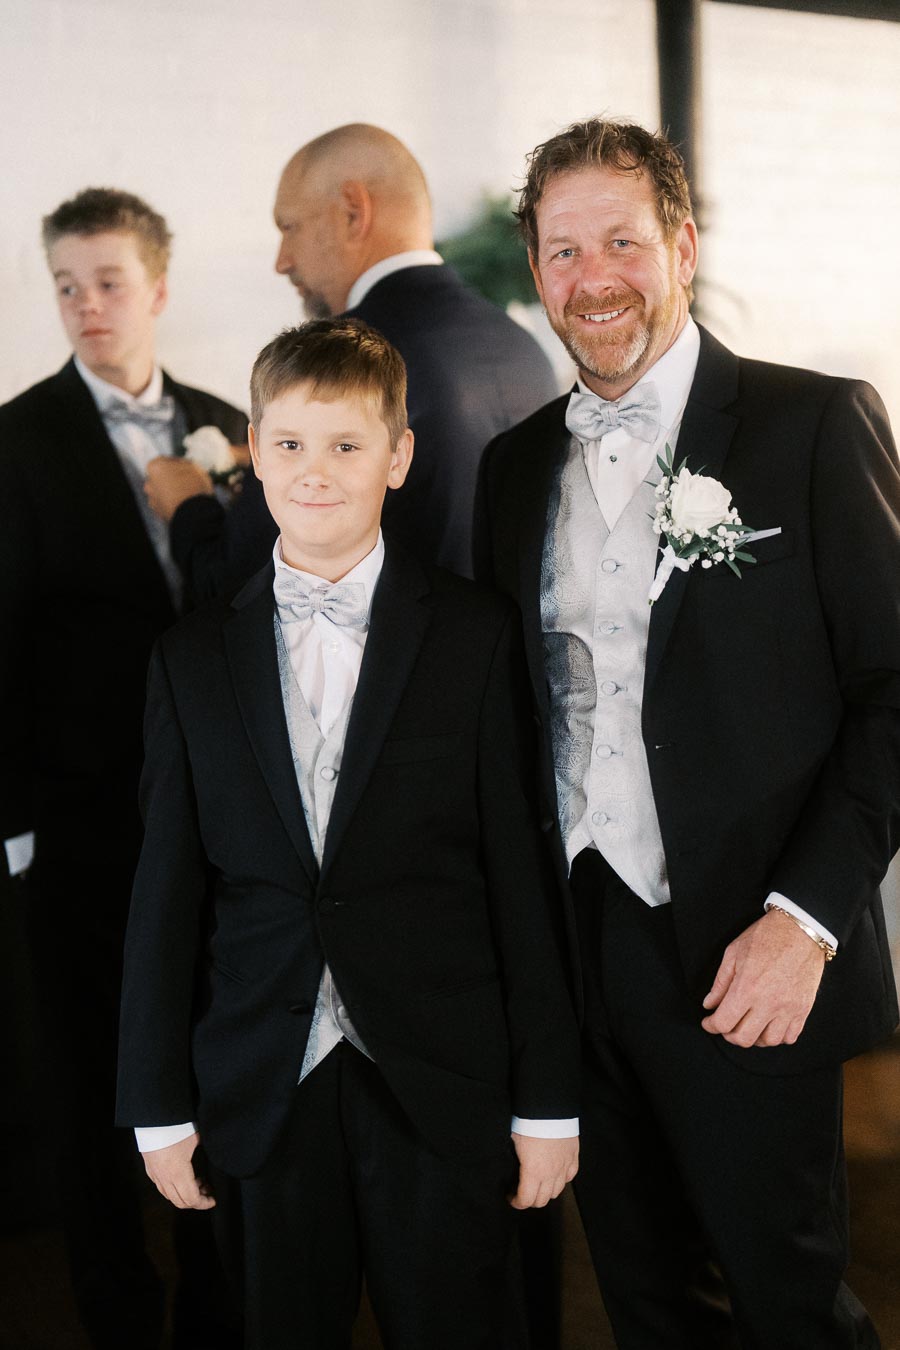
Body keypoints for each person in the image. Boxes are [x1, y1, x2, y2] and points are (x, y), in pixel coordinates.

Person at [475, 118, 900, 1349]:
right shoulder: (512, 469)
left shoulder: (810, 424)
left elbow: (893, 690)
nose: (593, 278)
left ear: (682, 248)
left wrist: (805, 920)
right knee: (647, 1304)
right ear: (536, 271)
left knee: (788, 1304)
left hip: (747, 948)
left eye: (622, 241)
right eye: (563, 251)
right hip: (575, 954)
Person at [116, 317, 581, 1350]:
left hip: (440, 1079)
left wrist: (548, 1100)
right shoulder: (190, 659)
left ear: (398, 457)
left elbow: (520, 877)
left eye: (346, 445)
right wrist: (156, 1103)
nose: (314, 471)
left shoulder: (474, 635)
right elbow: (166, 895)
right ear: (252, 451)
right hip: (262, 1082)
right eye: (289, 443)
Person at [0, 187, 247, 1350]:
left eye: (107, 282)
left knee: (209, 1064)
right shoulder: (14, 441)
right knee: (90, 1086)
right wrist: (16, 826)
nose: (86, 306)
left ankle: (216, 1312)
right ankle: (115, 1316)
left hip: (219, 819)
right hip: (79, 822)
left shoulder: (228, 424)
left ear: (157, 288)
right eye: (66, 286)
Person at [145, 122, 558, 592]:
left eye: (289, 228)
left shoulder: (342, 363)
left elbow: (239, 578)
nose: (282, 261)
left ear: (352, 212)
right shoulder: (524, 349)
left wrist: (187, 507)